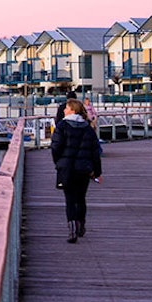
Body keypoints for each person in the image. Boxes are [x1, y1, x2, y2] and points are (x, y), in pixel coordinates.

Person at [50, 98, 101, 243]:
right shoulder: (87, 128)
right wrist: (97, 171)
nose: (64, 110)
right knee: (81, 198)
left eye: (66, 108)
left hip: (67, 168)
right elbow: (95, 151)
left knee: (70, 199)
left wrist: (59, 162)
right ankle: (81, 223)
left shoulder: (62, 126)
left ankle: (72, 228)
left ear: (72, 110)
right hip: (84, 168)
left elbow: (55, 147)